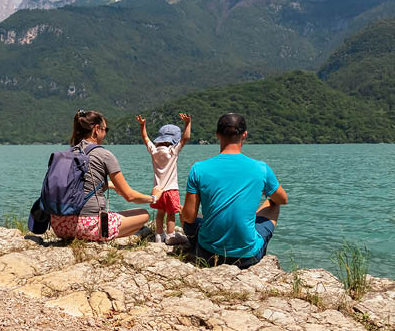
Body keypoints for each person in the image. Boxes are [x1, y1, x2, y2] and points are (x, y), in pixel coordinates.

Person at [181, 113, 288, 268]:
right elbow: (283, 199)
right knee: (273, 203)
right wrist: (267, 193)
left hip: (208, 254)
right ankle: (249, 241)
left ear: (217, 134)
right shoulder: (261, 168)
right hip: (247, 257)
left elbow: (189, 217)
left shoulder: (198, 168)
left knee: (185, 213)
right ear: (244, 135)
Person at [49, 110, 163, 242]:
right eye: (105, 129)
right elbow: (129, 196)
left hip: (59, 226)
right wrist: (154, 197)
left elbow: (78, 184)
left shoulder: (69, 152)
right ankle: (106, 235)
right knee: (143, 214)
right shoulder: (103, 154)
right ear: (96, 129)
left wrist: (108, 184)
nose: (105, 133)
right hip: (85, 227)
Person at [135, 113, 191, 244]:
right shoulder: (173, 151)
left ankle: (159, 235)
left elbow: (145, 137)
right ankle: (171, 235)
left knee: (160, 212)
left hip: (158, 190)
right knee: (171, 214)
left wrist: (143, 125)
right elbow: (186, 138)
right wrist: (188, 123)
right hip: (171, 189)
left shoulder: (154, 151)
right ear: (174, 139)